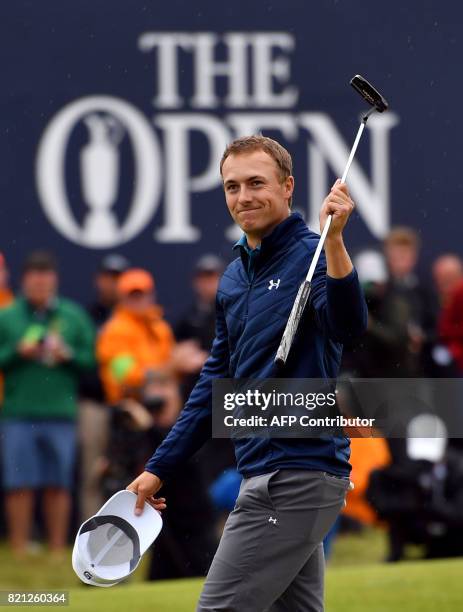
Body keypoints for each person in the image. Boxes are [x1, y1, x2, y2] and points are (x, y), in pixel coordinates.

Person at [127, 135, 367, 611]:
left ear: (287, 187)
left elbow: (348, 325)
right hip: (261, 471)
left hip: (296, 474)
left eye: (257, 183)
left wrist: (335, 241)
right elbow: (211, 390)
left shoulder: (313, 254)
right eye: (232, 186)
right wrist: (158, 468)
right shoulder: (234, 277)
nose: (244, 196)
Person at [0, 251, 95, 558]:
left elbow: (91, 360)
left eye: (46, 280)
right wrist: (18, 351)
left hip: (60, 411)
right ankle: (19, 547)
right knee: (19, 483)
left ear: (54, 282)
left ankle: (56, 548)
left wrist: (68, 354)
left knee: (59, 482)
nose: (40, 286)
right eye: (34, 280)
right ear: (25, 282)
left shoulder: (72, 315)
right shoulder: (8, 316)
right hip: (18, 410)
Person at [78, 253, 130, 519]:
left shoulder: (134, 316)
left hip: (127, 406)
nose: (113, 284)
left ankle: (125, 531)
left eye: (118, 279)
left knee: (129, 472)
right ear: (99, 280)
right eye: (109, 278)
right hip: (95, 403)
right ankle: (90, 530)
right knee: (93, 472)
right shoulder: (86, 316)